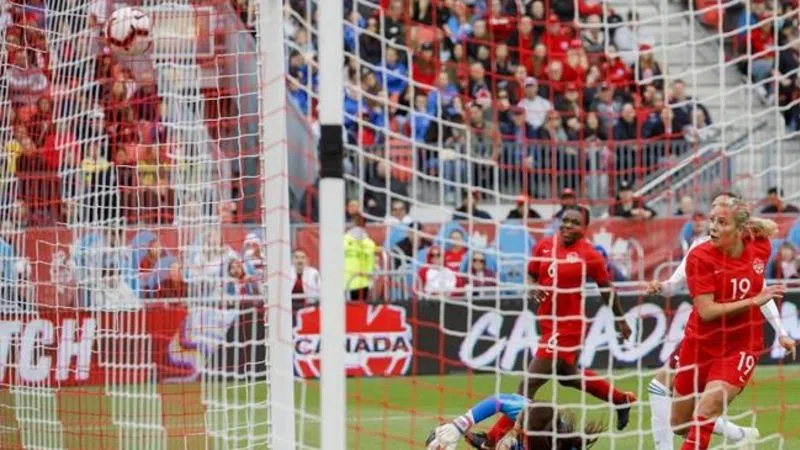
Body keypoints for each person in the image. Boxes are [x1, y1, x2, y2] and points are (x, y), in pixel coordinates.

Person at [468, 206, 635, 449]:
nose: (567, 225)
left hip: (569, 327)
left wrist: (620, 319)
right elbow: (531, 274)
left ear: (584, 227)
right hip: (548, 324)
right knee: (568, 376)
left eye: (574, 222)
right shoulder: (544, 245)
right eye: (565, 220)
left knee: (528, 384)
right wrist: (532, 286)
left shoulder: (589, 254)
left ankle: (492, 439)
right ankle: (620, 399)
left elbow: (606, 288)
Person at [645, 193, 796, 450]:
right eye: (712, 220)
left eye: (722, 222)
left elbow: (760, 291)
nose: (713, 227)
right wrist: (662, 286)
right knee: (680, 423)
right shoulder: (699, 255)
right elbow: (707, 311)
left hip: (741, 344)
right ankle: (742, 435)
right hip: (700, 343)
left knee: (706, 411)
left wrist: (781, 332)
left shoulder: (760, 247)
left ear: (740, 229)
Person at [426, 393, 605, 450]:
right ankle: (488, 442)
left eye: (520, 422)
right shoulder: (533, 413)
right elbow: (498, 400)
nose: (517, 420)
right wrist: (460, 425)